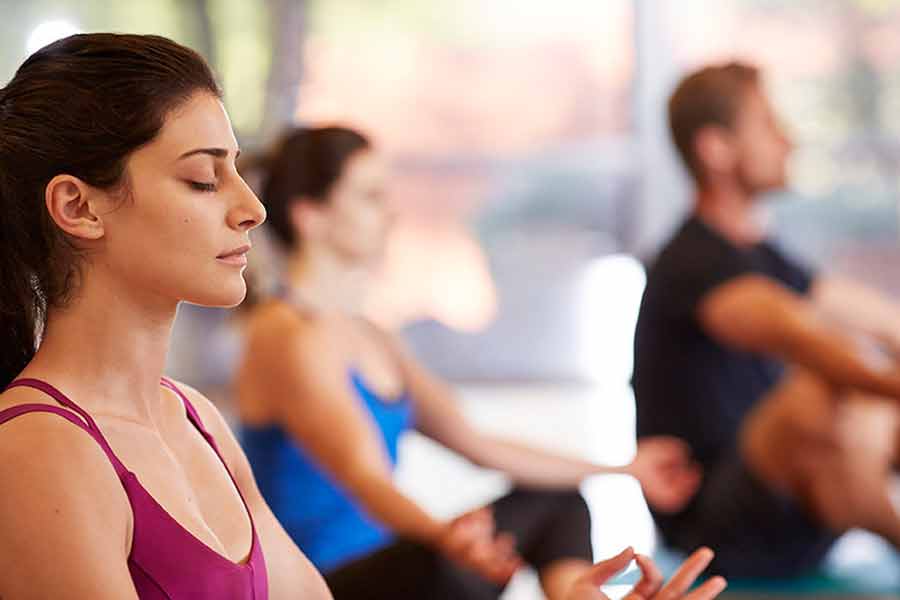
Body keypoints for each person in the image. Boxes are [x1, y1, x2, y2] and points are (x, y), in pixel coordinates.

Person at [236, 126, 724, 599]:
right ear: (310, 215)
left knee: (556, 499)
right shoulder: (285, 334)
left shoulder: (371, 335)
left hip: (393, 568)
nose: (390, 214)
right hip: (323, 583)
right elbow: (364, 479)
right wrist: (446, 537)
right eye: (370, 197)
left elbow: (475, 442)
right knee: (445, 565)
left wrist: (624, 468)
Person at [0, 33, 332, 599]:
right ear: (78, 207)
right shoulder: (40, 449)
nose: (252, 209)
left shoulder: (194, 418)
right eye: (203, 180)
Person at [634, 62, 900, 579]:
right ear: (716, 148)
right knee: (826, 391)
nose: (788, 139)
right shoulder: (691, 262)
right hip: (711, 529)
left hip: (792, 508)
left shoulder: (768, 257)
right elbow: (801, 334)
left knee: (868, 395)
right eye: (767, 124)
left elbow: (882, 319)